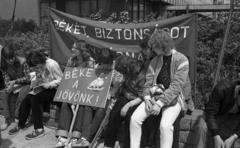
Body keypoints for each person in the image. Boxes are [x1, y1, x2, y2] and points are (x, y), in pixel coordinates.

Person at [130, 29, 191, 148]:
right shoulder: (155, 60)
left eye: (154, 47)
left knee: (165, 126)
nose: (152, 50)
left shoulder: (182, 60)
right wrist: (147, 98)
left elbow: (176, 87)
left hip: (174, 98)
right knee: (135, 119)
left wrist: (160, 103)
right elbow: (148, 81)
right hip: (154, 96)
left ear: (162, 46)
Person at [73, 48, 124, 147]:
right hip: (96, 93)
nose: (104, 65)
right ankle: (84, 137)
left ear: (110, 61)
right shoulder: (97, 67)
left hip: (110, 95)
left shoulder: (116, 69)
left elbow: (116, 87)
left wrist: (108, 94)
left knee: (101, 110)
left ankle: (87, 138)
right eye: (102, 63)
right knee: (87, 107)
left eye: (106, 63)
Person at [8, 50, 63, 140]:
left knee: (34, 99)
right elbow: (41, 78)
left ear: (39, 61)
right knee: (27, 99)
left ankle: (39, 129)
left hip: (54, 88)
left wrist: (50, 84)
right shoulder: (39, 65)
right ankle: (21, 124)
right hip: (44, 86)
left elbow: (61, 79)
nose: (36, 68)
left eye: (36, 66)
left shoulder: (51, 64)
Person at [54, 40, 95, 148]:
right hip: (72, 89)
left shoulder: (90, 62)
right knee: (65, 103)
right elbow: (68, 77)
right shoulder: (71, 60)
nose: (72, 49)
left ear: (82, 50)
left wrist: (79, 93)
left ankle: (75, 136)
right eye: (72, 47)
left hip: (85, 91)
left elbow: (91, 79)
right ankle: (62, 136)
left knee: (81, 106)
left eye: (75, 48)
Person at [194, 78, 240, 148]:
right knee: (201, 128)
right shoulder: (222, 88)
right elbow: (210, 114)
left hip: (234, 118)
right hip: (216, 114)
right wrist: (216, 136)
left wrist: (233, 137)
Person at [0, 44, 32, 131]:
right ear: (3, 58)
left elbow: (28, 78)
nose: (10, 60)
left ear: (14, 55)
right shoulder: (3, 65)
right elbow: (6, 77)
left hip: (26, 84)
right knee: (4, 93)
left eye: (12, 57)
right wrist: (8, 86)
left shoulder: (23, 61)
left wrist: (15, 81)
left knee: (22, 95)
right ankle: (7, 119)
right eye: (8, 59)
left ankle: (17, 116)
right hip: (14, 85)